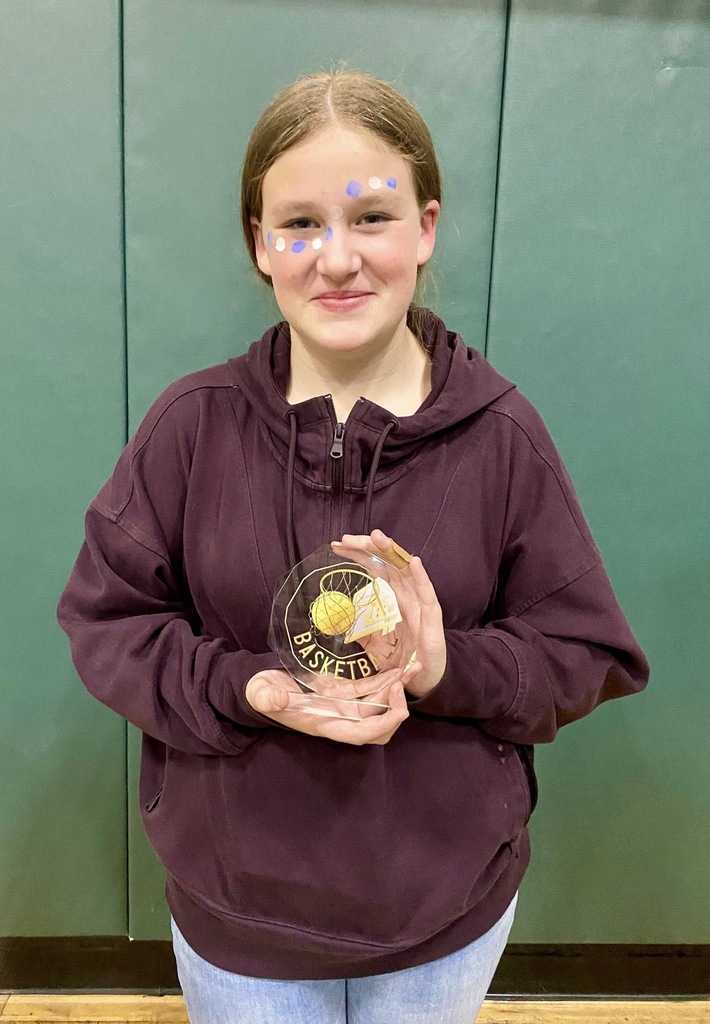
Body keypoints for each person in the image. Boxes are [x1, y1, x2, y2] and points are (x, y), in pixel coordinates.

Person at [56, 69, 650, 1023]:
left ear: (425, 227)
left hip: (441, 919)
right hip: (239, 916)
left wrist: (446, 663)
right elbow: (107, 621)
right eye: (299, 224)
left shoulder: (502, 437)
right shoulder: (190, 427)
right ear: (260, 245)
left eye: (371, 217)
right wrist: (248, 688)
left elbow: (586, 655)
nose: (337, 259)